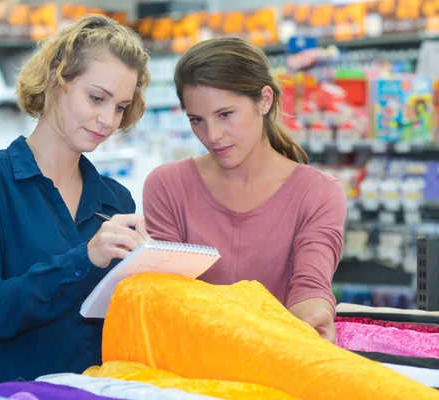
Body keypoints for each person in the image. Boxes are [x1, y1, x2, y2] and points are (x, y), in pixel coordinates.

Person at [0, 15, 151, 386]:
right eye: (97, 98)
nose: (107, 120)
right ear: (57, 78)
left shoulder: (115, 199)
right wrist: (84, 259)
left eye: (120, 107)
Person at [142, 37, 347, 344]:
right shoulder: (166, 185)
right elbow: (167, 295)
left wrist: (314, 316)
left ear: (264, 100)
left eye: (225, 114)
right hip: (187, 367)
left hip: (276, 362)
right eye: (197, 120)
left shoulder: (318, 193)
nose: (212, 135)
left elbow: (310, 286)